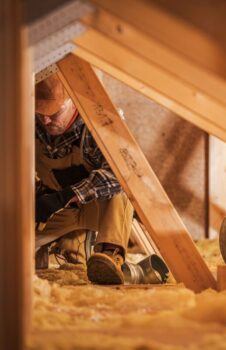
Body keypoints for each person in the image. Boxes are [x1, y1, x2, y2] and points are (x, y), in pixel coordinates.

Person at [35, 73, 133, 284]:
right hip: (59, 210)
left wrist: (66, 195)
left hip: (99, 210)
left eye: (53, 113)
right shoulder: (32, 125)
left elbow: (120, 173)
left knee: (122, 188)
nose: (45, 119)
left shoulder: (98, 124)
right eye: (40, 113)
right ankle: (72, 245)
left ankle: (109, 255)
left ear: (73, 101)